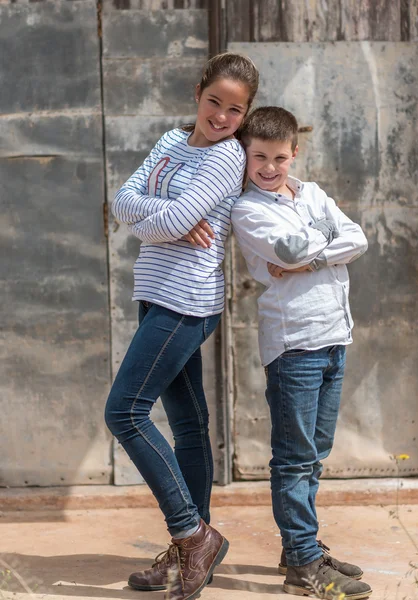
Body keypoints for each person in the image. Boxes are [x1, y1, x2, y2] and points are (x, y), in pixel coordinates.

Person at [104, 53, 259, 600]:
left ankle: (191, 533)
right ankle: (190, 554)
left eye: (235, 110)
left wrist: (156, 220)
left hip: (186, 301)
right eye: (214, 101)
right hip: (155, 293)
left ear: (245, 115)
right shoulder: (170, 142)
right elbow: (123, 203)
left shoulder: (225, 159)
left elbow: (153, 217)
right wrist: (164, 221)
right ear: (198, 93)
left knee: (123, 411)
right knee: (189, 424)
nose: (221, 116)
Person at [231, 106, 372, 599]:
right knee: (294, 458)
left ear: (296, 153)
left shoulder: (311, 193)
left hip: (335, 336)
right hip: (294, 344)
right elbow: (286, 252)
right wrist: (321, 246)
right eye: (259, 158)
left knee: (316, 456)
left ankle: (301, 548)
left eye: (280, 158)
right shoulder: (248, 209)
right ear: (245, 156)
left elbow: (358, 238)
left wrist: (308, 256)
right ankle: (304, 565)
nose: (270, 168)